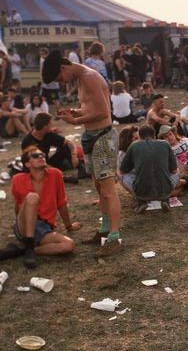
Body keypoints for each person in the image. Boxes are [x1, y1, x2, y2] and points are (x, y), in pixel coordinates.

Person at [41, 49, 122, 258]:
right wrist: (76, 112)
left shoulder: (89, 76)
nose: (61, 82)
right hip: (91, 136)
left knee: (108, 190)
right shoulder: (80, 79)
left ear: (63, 67)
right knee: (98, 186)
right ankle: (104, 230)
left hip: (102, 136)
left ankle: (115, 238)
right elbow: (90, 107)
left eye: (59, 77)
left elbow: (104, 112)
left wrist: (75, 121)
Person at [0, 146, 80, 268]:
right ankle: (28, 242)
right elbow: (18, 206)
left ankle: (24, 250)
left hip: (44, 227)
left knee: (68, 245)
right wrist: (20, 225)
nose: (41, 157)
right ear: (27, 164)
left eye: (42, 154)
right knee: (32, 197)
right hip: (24, 224)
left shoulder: (56, 174)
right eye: (36, 156)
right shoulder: (18, 179)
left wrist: (69, 226)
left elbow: (61, 203)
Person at [119, 124, 180, 213]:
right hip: (165, 189)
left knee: (122, 176)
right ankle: (165, 199)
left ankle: (141, 201)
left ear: (140, 137)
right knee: (177, 172)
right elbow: (174, 170)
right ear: (154, 136)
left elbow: (122, 171)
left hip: (141, 191)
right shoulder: (165, 144)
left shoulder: (134, 145)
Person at [21, 112, 81, 181]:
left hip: (47, 163)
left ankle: (82, 171)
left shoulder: (48, 134)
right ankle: (62, 177)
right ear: (45, 127)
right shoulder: (28, 141)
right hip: (36, 167)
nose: (52, 125)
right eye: (50, 124)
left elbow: (69, 143)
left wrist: (74, 155)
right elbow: (33, 162)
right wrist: (57, 172)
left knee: (66, 147)